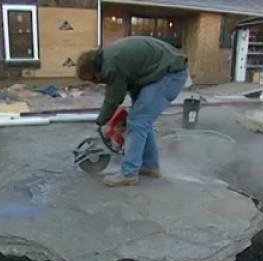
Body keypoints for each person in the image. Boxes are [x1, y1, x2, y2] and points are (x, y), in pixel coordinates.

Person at [76, 36, 188, 187]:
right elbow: (134, 81)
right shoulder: (109, 58)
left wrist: (101, 122)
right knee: (141, 121)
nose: (96, 82)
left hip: (170, 74)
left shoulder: (112, 64)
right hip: (159, 73)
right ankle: (149, 166)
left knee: (138, 121)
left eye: (93, 79)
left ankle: (128, 174)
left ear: (94, 70)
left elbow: (113, 98)